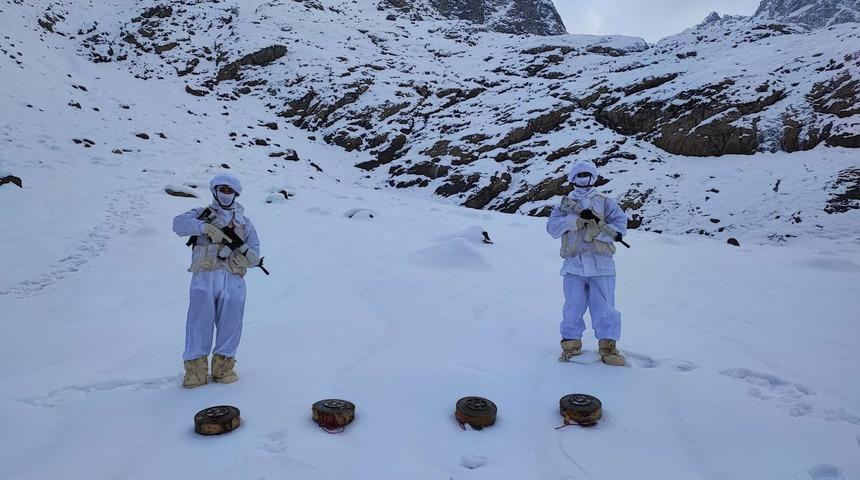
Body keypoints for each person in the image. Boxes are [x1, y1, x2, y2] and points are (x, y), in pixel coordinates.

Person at [173, 173, 261, 387]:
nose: (225, 194)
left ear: (236, 194)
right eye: (222, 189)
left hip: (233, 279)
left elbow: (255, 252)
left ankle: (223, 368)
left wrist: (247, 258)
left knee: (231, 324)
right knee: (198, 323)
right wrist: (205, 228)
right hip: (205, 276)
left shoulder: (245, 223)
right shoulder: (201, 214)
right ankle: (195, 371)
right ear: (214, 191)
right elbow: (178, 224)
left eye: (230, 191)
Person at [546, 160, 628, 366]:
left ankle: (608, 348)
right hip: (574, 263)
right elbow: (552, 228)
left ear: (594, 176)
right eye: (579, 174)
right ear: (572, 178)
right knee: (573, 306)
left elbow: (620, 227)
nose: (583, 178)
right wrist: (574, 222)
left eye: (587, 174)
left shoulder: (605, 202)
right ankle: (571, 346)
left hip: (602, 264)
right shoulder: (564, 205)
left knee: (606, 307)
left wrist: (598, 231)